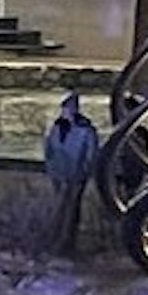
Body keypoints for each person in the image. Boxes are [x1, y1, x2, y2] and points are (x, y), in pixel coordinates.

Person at [43, 92, 103, 252]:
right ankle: (55, 240)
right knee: (59, 208)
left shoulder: (86, 130)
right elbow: (49, 149)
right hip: (58, 173)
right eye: (65, 108)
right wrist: (51, 168)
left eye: (69, 108)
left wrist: (83, 172)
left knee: (71, 209)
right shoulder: (57, 127)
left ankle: (67, 241)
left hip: (75, 175)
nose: (66, 112)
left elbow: (91, 154)